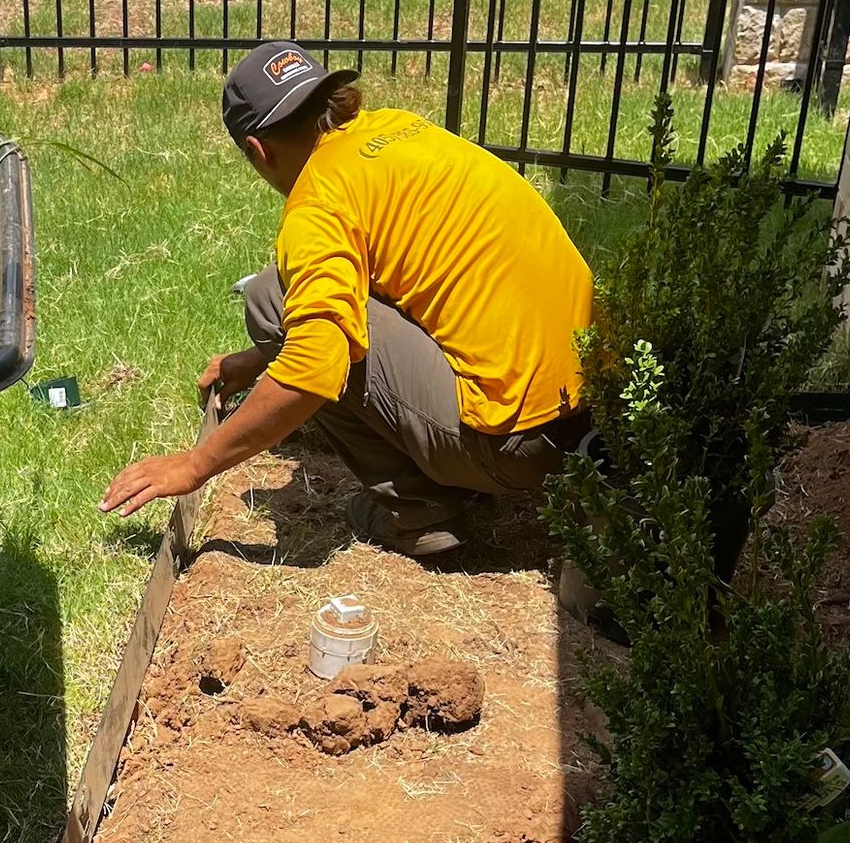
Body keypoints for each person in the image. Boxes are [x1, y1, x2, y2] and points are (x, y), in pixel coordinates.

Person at [100, 43, 595, 557]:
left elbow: (314, 367)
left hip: (518, 450)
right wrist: (257, 361)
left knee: (272, 298)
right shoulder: (397, 129)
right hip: (592, 411)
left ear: (258, 149)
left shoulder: (317, 204)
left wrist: (195, 464)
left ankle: (420, 513)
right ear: (330, 100)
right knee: (314, 310)